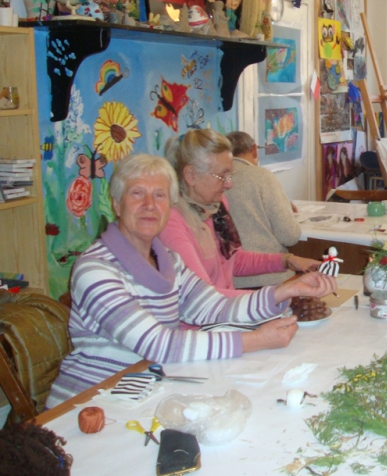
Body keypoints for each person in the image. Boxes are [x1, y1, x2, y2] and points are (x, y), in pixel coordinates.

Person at [47, 155, 336, 405]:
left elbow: (215, 306)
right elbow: (158, 345)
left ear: (169, 206)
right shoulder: (95, 269)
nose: (149, 205)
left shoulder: (168, 261)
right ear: (117, 205)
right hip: (89, 403)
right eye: (137, 193)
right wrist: (255, 340)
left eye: (159, 196)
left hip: (142, 391)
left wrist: (283, 291)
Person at [160, 129, 319, 299]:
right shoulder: (171, 222)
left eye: (230, 175)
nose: (229, 184)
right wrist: (280, 294)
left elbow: (235, 261)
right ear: (191, 175)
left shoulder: (215, 208)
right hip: (207, 313)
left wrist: (288, 260)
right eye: (222, 176)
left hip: (227, 308)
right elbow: (202, 297)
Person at [225, 131, 302, 288]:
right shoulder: (262, 176)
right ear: (254, 149)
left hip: (231, 280)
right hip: (270, 277)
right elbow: (290, 236)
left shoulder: (216, 178)